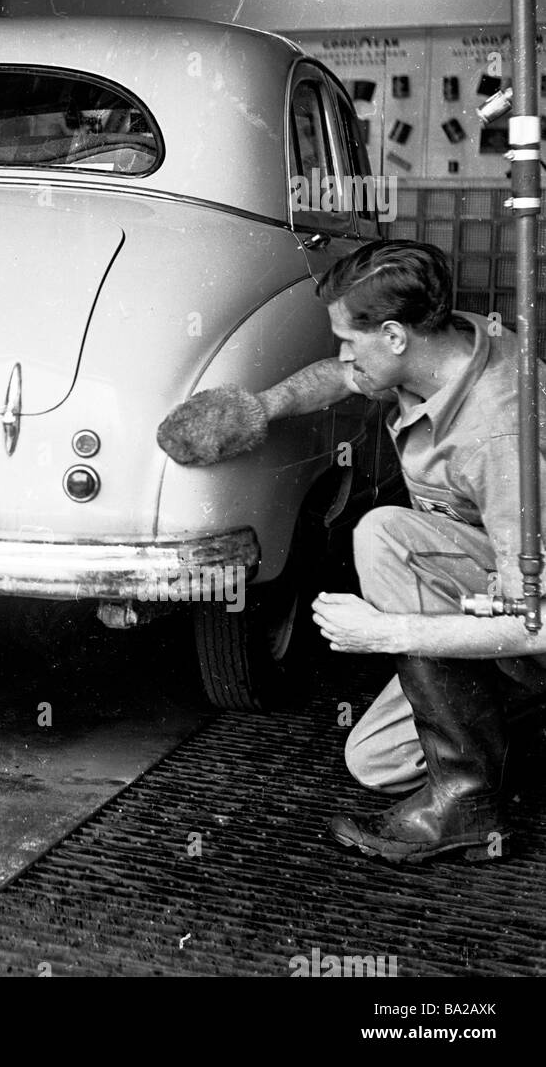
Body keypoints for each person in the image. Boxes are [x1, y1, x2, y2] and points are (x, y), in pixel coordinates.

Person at [156, 239, 546, 864]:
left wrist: (381, 630)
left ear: (394, 335)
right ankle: (512, 724)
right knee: (377, 762)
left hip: (531, 624)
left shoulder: (499, 438)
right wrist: (260, 409)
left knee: (384, 533)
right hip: (483, 592)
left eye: (348, 337)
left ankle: (468, 804)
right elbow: (346, 377)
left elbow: (540, 625)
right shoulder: (444, 346)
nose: (341, 352)